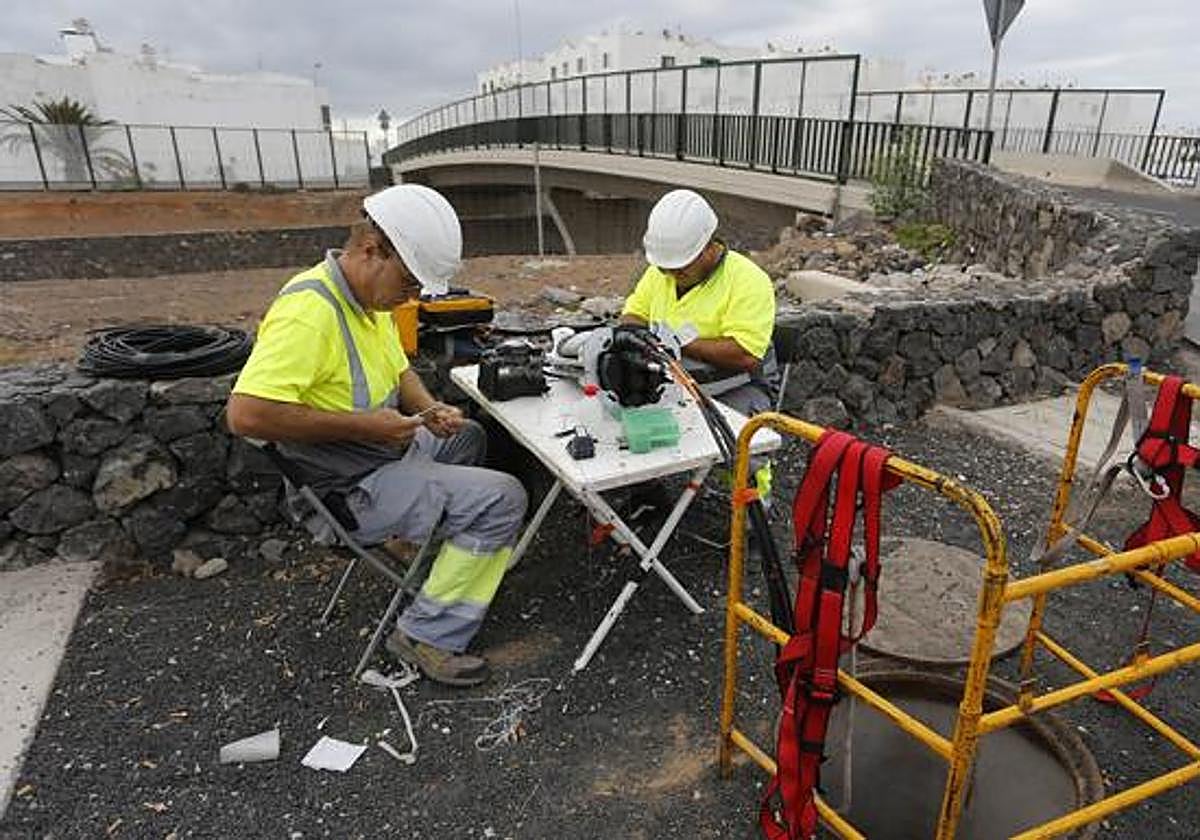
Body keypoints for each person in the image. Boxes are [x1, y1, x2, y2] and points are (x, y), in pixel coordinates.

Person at [226, 184, 527, 688]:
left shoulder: (367, 302)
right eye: (409, 283)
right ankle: (427, 634)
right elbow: (245, 415)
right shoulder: (310, 313)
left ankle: (430, 553)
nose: (412, 297)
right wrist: (368, 426)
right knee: (503, 498)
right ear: (371, 250)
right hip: (347, 487)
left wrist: (427, 409)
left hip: (382, 455)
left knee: (468, 436)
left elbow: (398, 368)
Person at [621, 188, 779, 491]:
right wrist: (636, 336)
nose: (671, 273)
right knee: (629, 422)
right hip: (675, 378)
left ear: (708, 247)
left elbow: (745, 355)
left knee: (741, 442)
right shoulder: (662, 274)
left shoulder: (748, 280)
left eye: (680, 267)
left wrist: (677, 343)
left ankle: (752, 502)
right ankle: (649, 496)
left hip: (737, 384)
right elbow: (633, 315)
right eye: (666, 267)